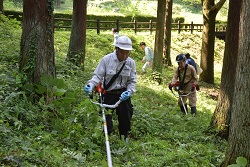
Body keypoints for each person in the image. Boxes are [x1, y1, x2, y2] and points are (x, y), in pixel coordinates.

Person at [84, 36, 137, 139]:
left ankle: (124, 137)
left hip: (123, 95)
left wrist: (129, 92)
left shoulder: (131, 63)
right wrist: (91, 85)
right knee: (105, 120)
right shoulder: (106, 60)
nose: (125, 55)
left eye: (127, 53)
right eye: (123, 52)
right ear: (117, 49)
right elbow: (97, 76)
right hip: (108, 94)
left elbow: (132, 81)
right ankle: (106, 138)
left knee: (126, 118)